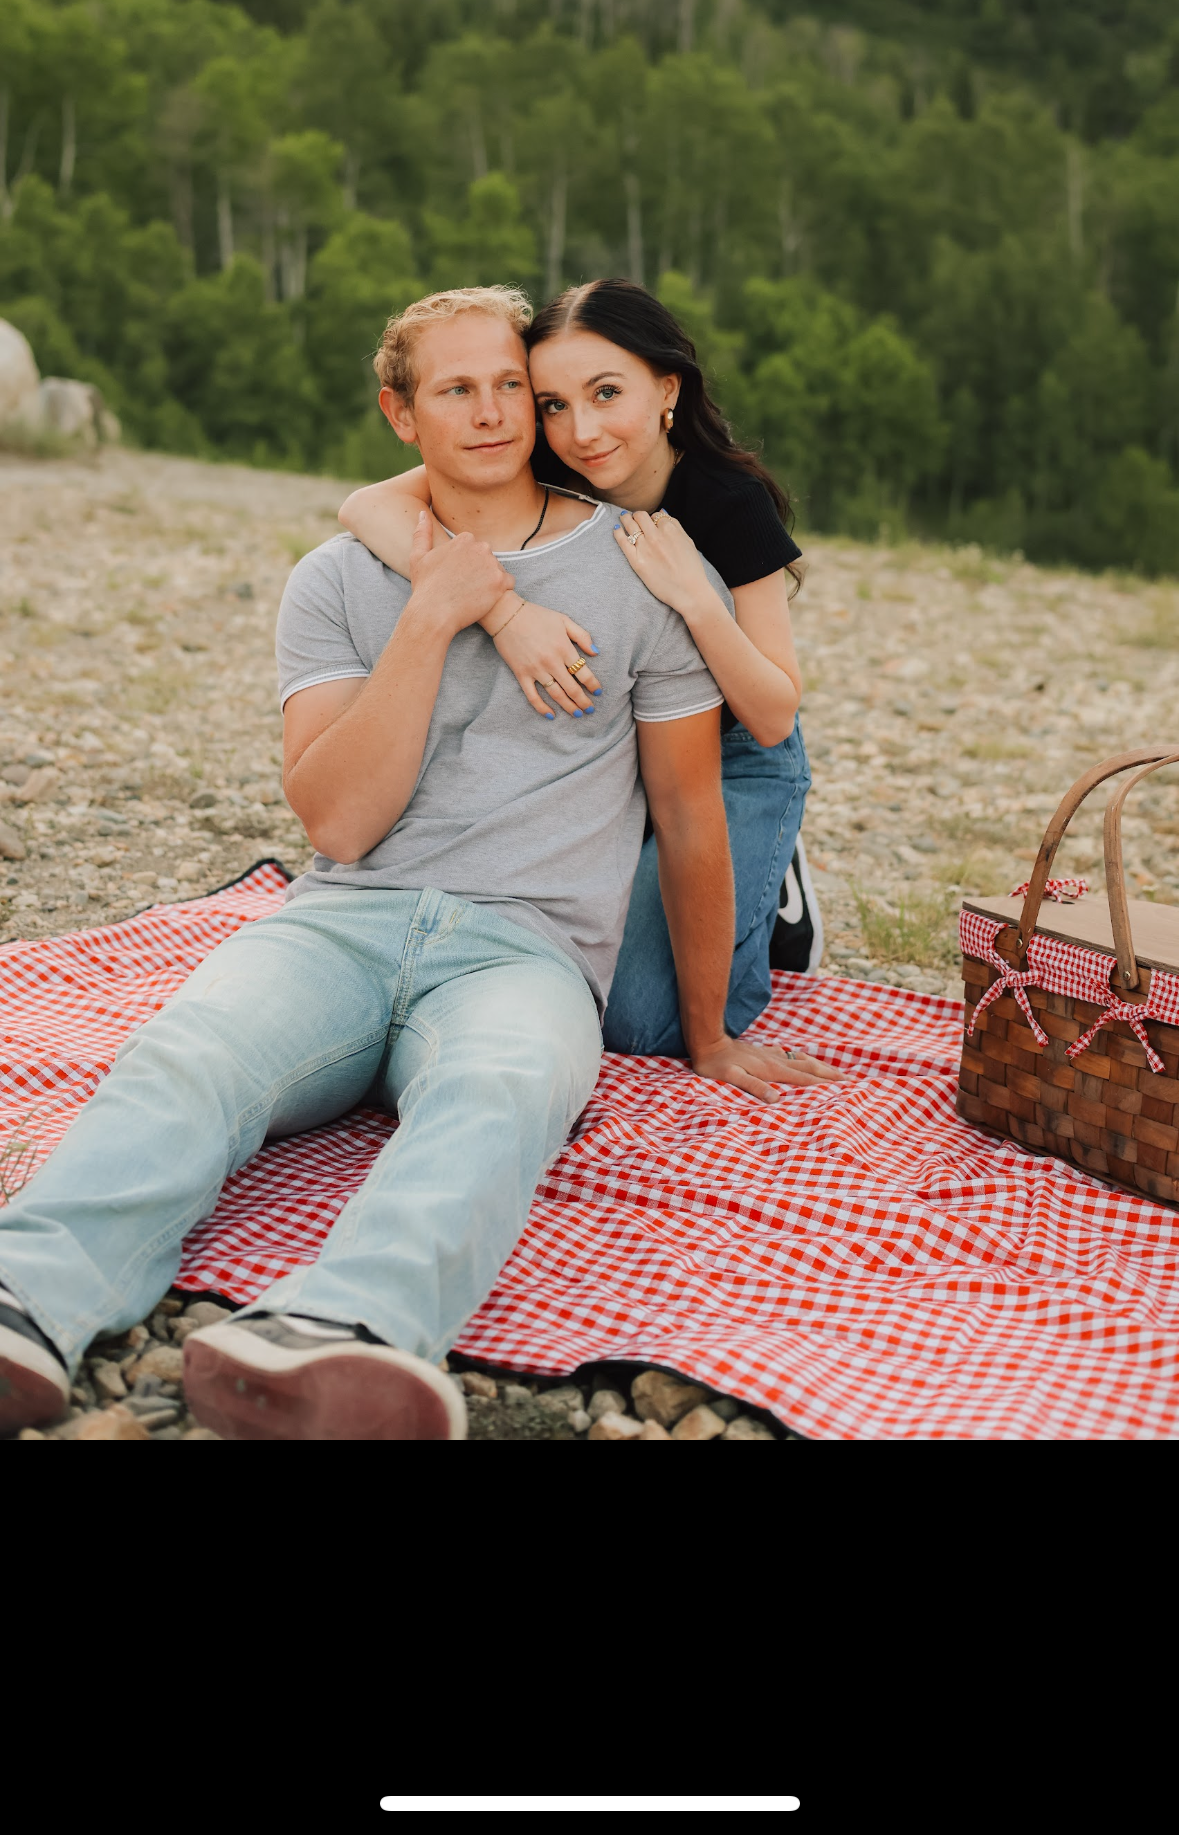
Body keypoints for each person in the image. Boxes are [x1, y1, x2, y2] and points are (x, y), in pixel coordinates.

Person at [0, 285, 833, 1444]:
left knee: (505, 1095)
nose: (496, 414)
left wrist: (710, 1035)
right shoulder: (338, 580)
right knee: (188, 1057)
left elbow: (692, 813)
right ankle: (25, 1300)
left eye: (511, 387)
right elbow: (337, 825)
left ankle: (350, 1331)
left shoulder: (647, 569)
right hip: (341, 921)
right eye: (459, 390)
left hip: (529, 949)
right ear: (403, 414)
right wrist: (439, 615)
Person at [341, 277, 814, 1058]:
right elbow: (366, 507)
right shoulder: (554, 476)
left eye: (605, 394)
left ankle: (775, 895)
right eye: (553, 403)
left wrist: (694, 599)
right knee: (582, 993)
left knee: (637, 1022)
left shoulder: (725, 500)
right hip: (619, 753)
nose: (581, 430)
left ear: (666, 389)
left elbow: (773, 714)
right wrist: (506, 615)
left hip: (737, 757)